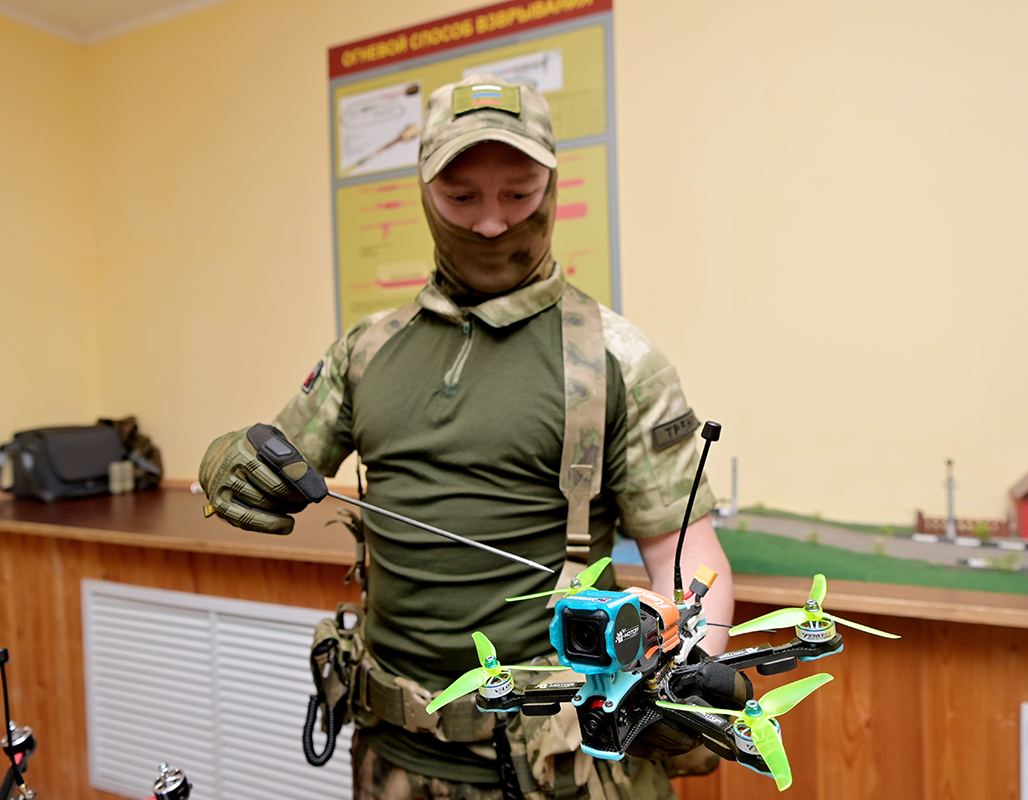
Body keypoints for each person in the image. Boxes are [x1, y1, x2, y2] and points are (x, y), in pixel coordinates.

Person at [199, 74, 733, 800]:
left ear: (551, 186)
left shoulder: (616, 357)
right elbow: (273, 464)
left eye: (518, 194)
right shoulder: (367, 350)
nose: (490, 223)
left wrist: (681, 678)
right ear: (424, 192)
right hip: (389, 755)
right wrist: (222, 462)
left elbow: (685, 553)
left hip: (558, 770)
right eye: (461, 196)